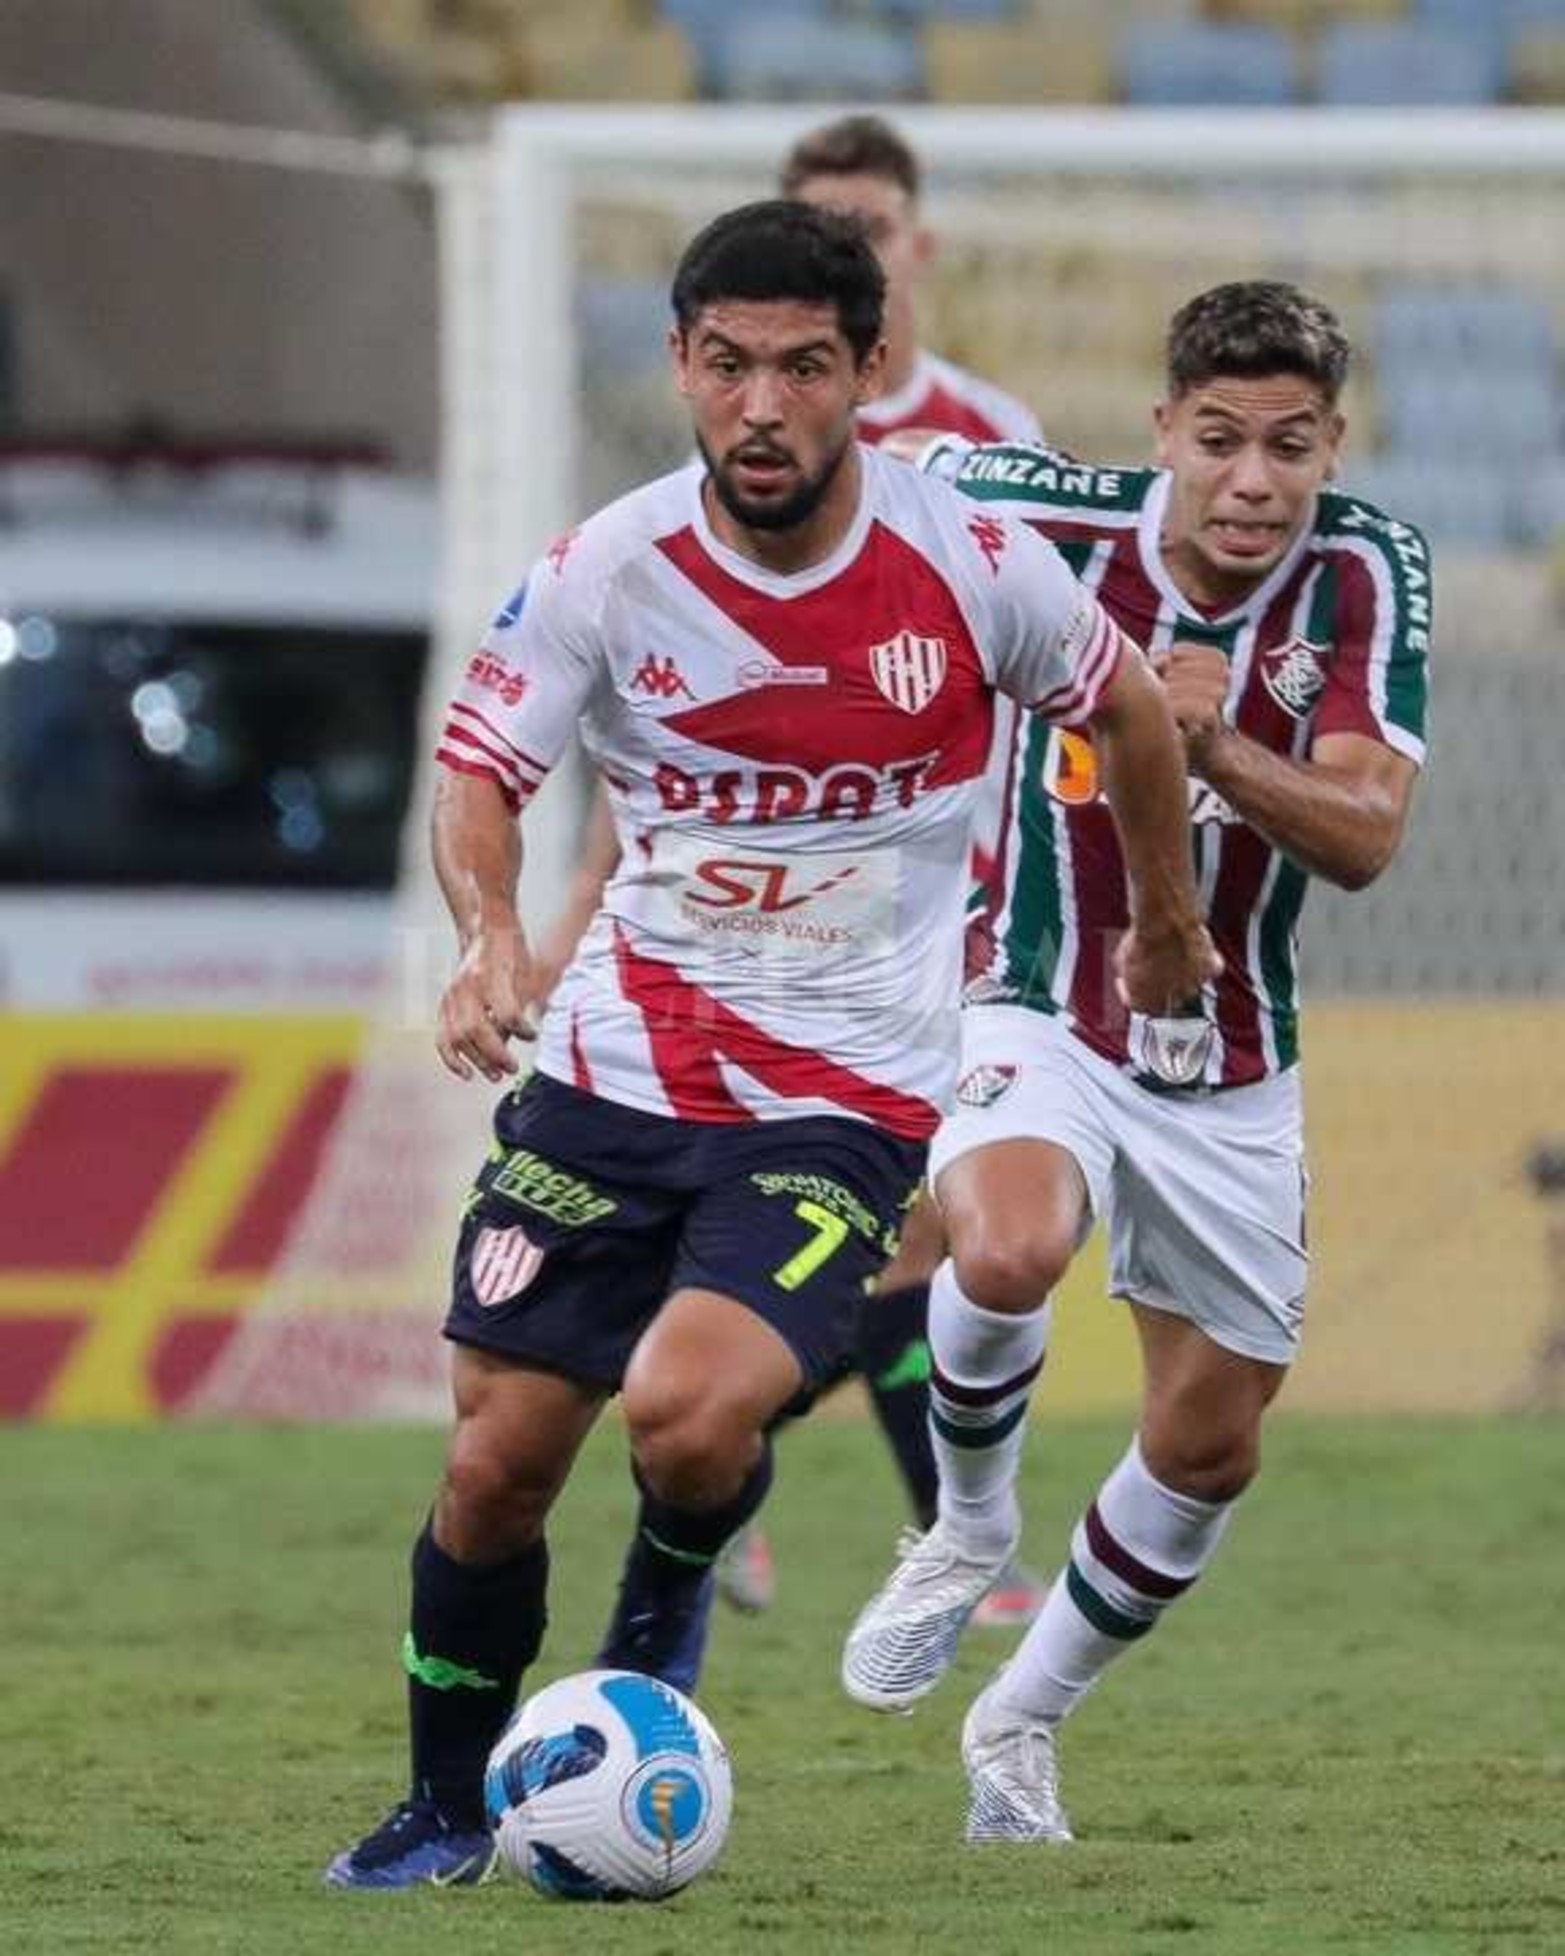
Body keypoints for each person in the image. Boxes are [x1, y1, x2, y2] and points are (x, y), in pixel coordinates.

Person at [324, 197, 1216, 1889]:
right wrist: (491, 937)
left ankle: (661, 1603)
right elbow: (481, 774)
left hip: (841, 1098)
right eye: (726, 364)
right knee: (495, 1463)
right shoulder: (606, 568)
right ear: (677, 363)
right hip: (609, 1074)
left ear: (868, 372)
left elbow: (1123, 710)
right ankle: (442, 1805)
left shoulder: (969, 561)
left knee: (682, 1413)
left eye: (803, 367)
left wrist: (1160, 920)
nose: (759, 405)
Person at [840, 280, 1431, 1845]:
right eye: (1219, 439)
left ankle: (1019, 1719)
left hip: (1231, 1050)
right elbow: (861, 482)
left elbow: (1367, 838)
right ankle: (966, 1528)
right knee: (1007, 1244)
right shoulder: (1034, 518)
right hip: (1036, 990)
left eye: (1287, 446)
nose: (1251, 480)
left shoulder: (1364, 569)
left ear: (1331, 446)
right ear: (1162, 430)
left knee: (1208, 1442)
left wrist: (1213, 742)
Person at [575, 112, 1051, 1643]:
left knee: (923, 1234)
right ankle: (768, 1485)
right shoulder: (738, 451)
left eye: (869, 227)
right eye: (820, 221)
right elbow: (675, 722)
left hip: (946, 917)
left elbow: (1067, 674)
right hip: (742, 934)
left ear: (914, 252)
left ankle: (746, 1478)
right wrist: (576, 910)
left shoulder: (990, 437)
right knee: (867, 1231)